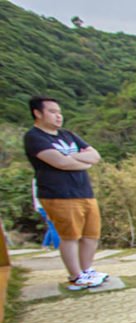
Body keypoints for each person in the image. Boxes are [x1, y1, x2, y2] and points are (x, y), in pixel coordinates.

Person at [23, 96, 108, 290]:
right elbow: (59, 162)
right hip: (58, 194)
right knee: (70, 236)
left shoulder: (67, 135)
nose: (58, 116)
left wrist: (69, 158)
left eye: (59, 112)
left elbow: (95, 156)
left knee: (91, 234)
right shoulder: (35, 137)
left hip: (84, 191)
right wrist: (79, 161)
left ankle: (87, 270)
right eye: (52, 111)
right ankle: (75, 275)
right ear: (38, 113)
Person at [32, 179, 60, 250]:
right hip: (45, 206)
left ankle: (45, 245)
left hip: (43, 205)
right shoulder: (42, 179)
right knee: (54, 227)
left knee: (52, 226)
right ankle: (58, 246)